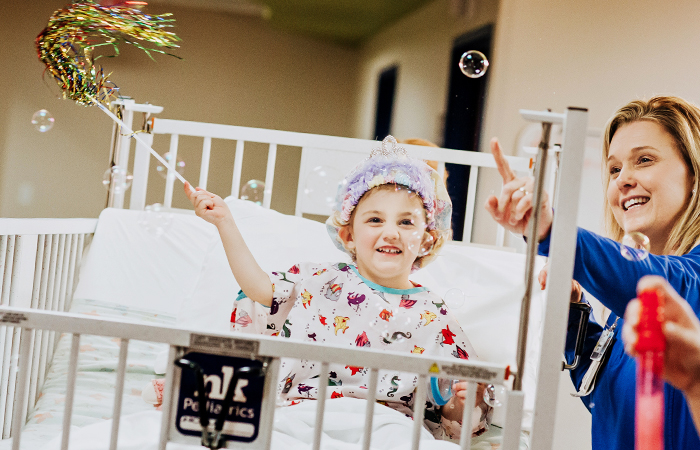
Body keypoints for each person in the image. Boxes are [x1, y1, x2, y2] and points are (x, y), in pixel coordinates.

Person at [185, 136, 491, 439]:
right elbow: (260, 288)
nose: (391, 232)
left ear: (428, 239)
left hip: (387, 424)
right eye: (374, 220)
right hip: (305, 412)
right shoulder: (320, 281)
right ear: (347, 236)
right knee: (264, 434)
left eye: (407, 223)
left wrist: (466, 401)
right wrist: (225, 222)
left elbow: (450, 408)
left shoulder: (434, 315)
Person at [485, 96, 700, 449]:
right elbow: (610, 406)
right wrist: (573, 316)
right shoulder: (624, 303)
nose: (623, 180)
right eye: (614, 169)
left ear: (695, 173)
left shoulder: (674, 282)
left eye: (644, 160)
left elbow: (665, 282)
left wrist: (553, 229)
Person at [622, 275, 700, 435]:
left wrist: (696, 383)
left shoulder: (687, 273)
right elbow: (601, 385)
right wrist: (575, 310)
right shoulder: (625, 316)